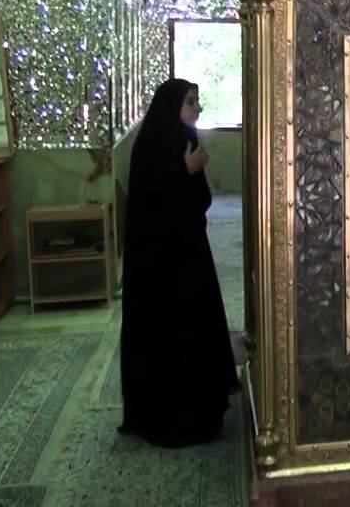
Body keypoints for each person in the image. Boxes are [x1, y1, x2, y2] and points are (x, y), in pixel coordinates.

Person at [119, 78, 238, 448]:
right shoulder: (151, 144)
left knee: (194, 328)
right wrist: (183, 170)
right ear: (171, 106)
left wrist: (192, 171)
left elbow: (200, 200)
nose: (196, 108)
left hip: (188, 255)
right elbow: (148, 201)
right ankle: (166, 420)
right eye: (190, 102)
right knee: (167, 336)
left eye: (197, 101)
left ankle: (201, 413)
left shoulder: (185, 138)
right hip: (158, 266)